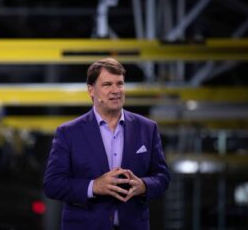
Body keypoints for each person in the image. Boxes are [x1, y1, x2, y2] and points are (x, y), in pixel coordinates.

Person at [43, 57, 170, 230]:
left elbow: (162, 177)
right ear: (91, 90)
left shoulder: (147, 128)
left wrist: (144, 186)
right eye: (107, 84)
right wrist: (93, 186)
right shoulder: (68, 133)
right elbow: (52, 184)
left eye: (120, 84)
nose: (116, 90)